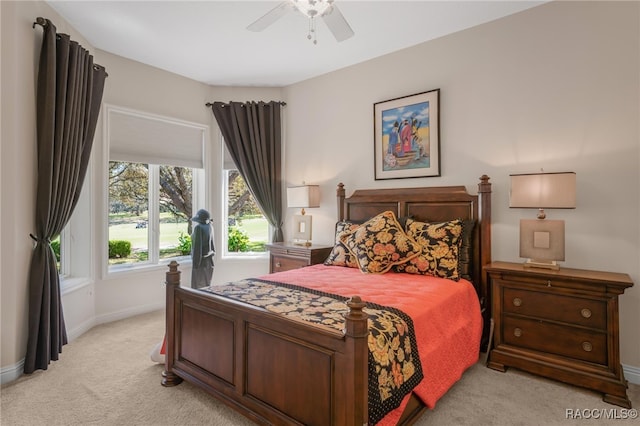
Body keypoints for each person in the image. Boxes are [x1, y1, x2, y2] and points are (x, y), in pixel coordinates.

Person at [190, 209, 215, 289]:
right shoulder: (210, 226)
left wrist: (195, 264)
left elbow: (197, 248)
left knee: (197, 289)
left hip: (201, 263)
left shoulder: (198, 228)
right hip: (209, 262)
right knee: (206, 287)